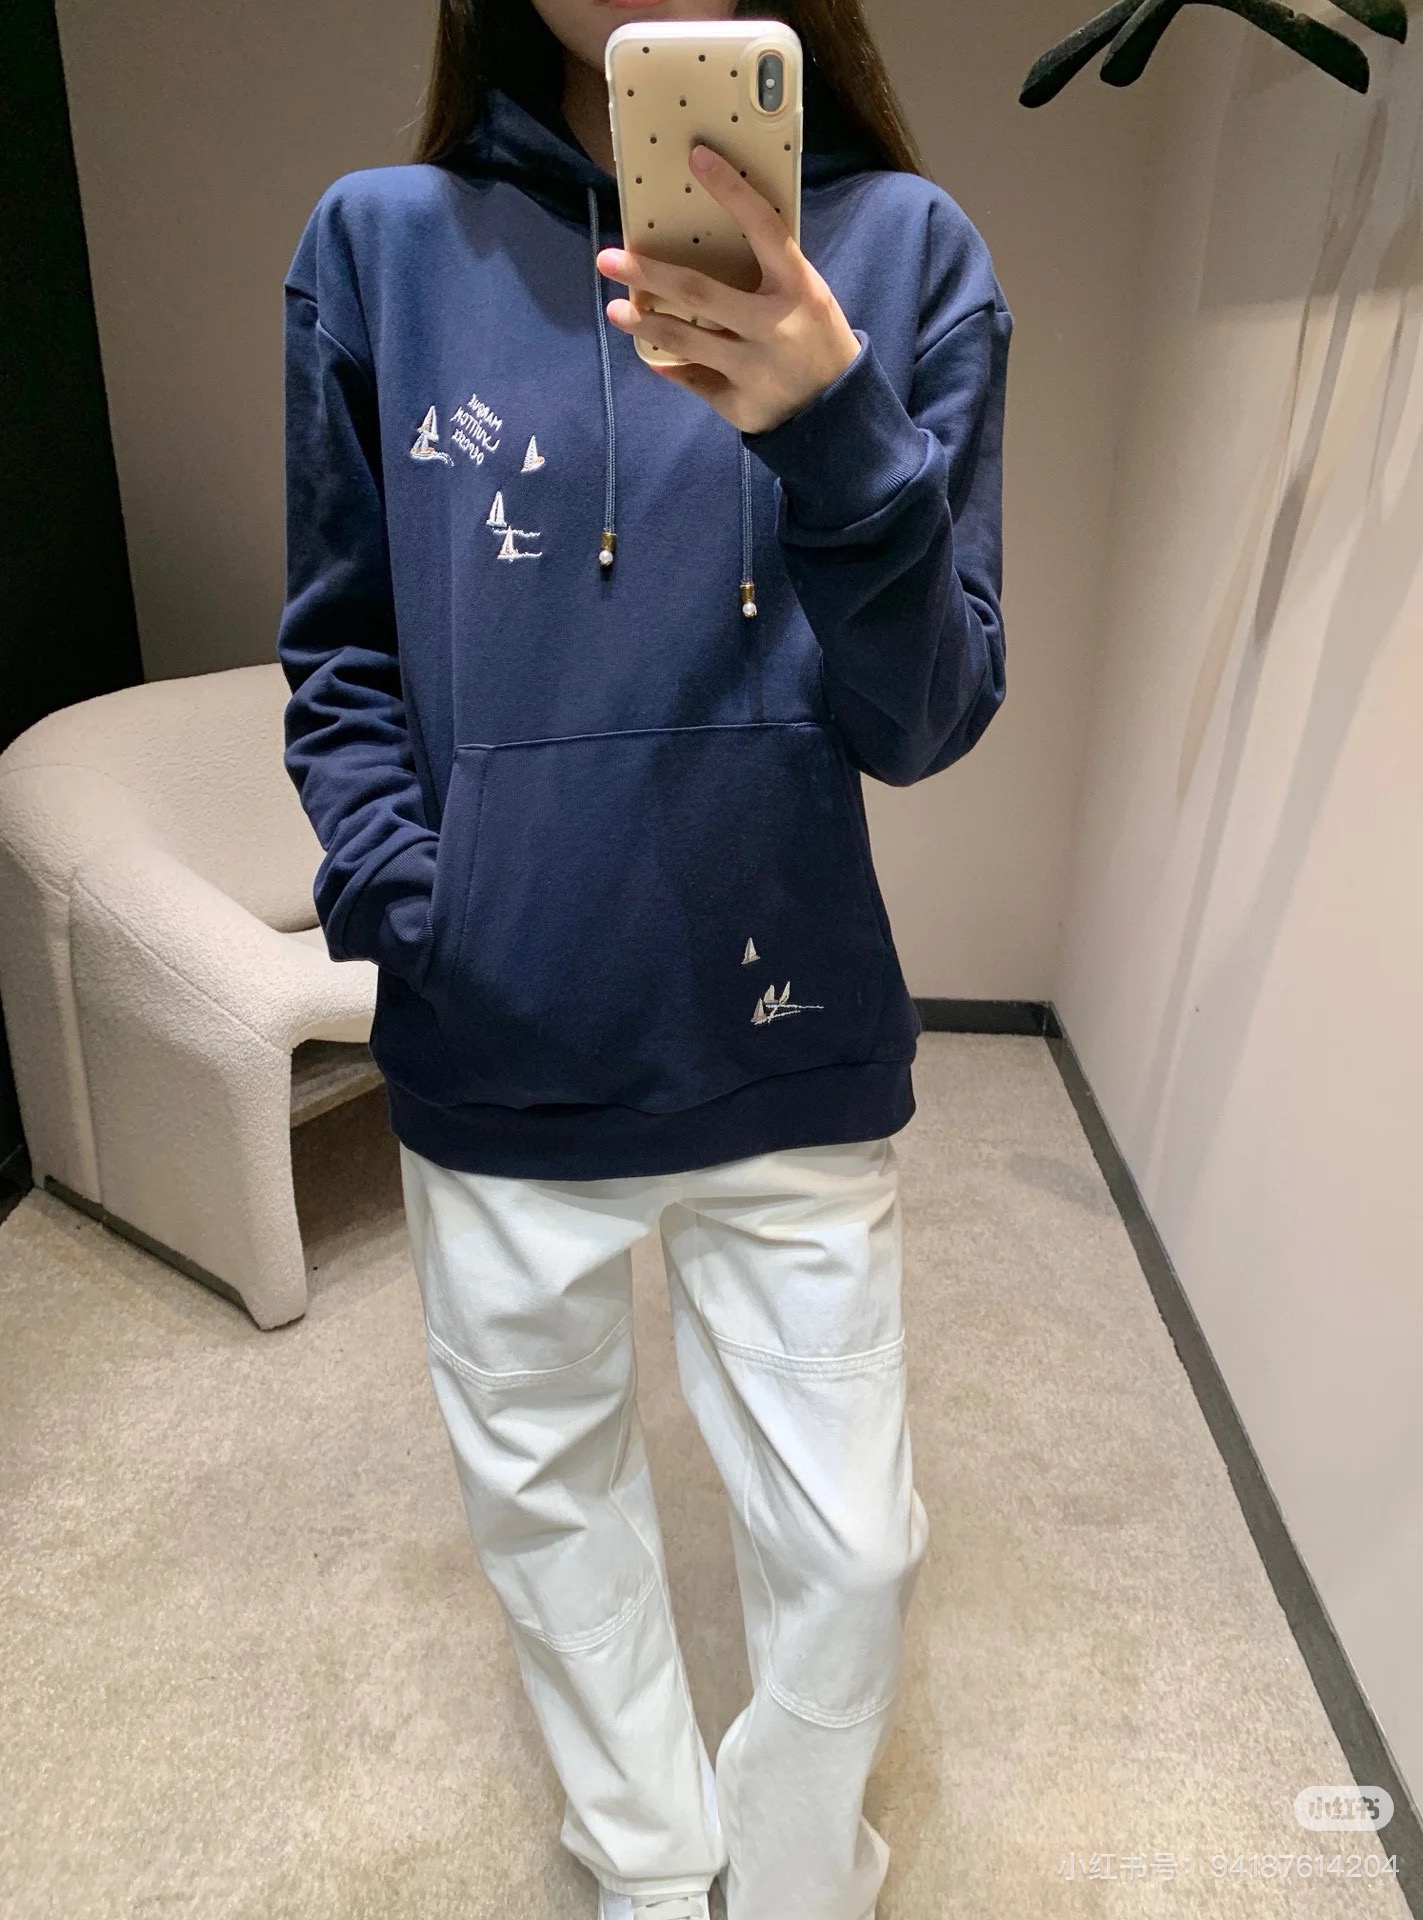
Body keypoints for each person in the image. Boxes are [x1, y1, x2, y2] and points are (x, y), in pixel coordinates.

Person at [275, 1, 1011, 1915]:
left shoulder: (907, 254)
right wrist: (416, 902)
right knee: (552, 1517)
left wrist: (836, 424)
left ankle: (794, 1874)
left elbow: (926, 719)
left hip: (789, 1025)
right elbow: (341, 648)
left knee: (852, 1550)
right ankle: (650, 1868)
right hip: (497, 1037)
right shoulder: (379, 244)